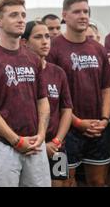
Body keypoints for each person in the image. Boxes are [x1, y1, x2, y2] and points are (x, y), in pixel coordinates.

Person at [47, 0, 110, 187]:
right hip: (64, 131)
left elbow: (106, 88)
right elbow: (52, 96)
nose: (83, 15)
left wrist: (104, 120)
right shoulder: (52, 48)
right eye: (77, 12)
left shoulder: (98, 49)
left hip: (97, 129)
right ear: (64, 15)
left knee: (98, 182)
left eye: (86, 11)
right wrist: (77, 122)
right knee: (63, 182)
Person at [0, 0, 51, 187]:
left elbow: (42, 100)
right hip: (2, 145)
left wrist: (40, 135)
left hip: (35, 145)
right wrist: (15, 141)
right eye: (14, 15)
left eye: (23, 14)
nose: (21, 19)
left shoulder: (32, 58)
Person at [21, 21, 73, 187]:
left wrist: (57, 141)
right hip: (30, 147)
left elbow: (66, 110)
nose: (45, 41)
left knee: (59, 184)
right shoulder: (21, 73)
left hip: (56, 146)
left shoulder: (58, 72)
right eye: (38, 37)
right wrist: (42, 145)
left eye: (47, 37)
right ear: (24, 42)